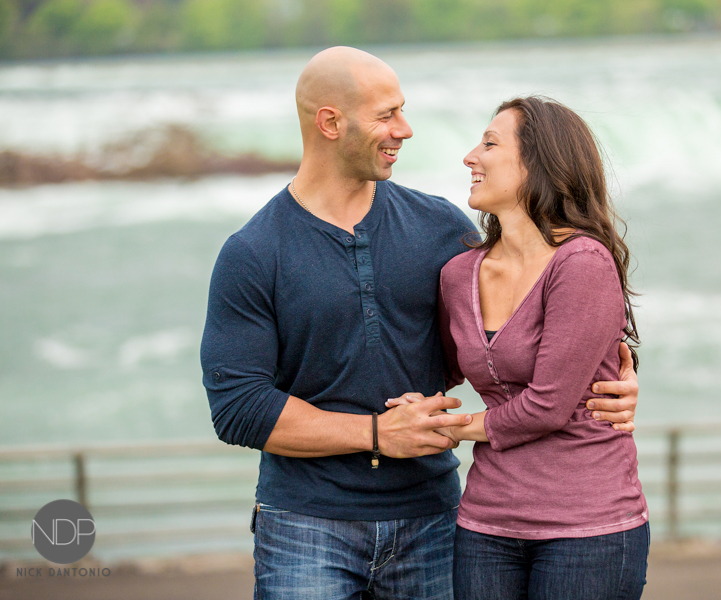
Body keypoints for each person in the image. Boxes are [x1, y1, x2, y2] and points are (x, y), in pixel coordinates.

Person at [200, 47, 640, 600]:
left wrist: (604, 383)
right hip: (305, 526)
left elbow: (523, 334)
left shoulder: (441, 229)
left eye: (402, 111)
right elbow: (238, 407)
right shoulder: (254, 252)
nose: (404, 130)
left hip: (435, 520)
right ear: (330, 122)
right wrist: (376, 434)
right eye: (387, 114)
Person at [391, 97, 648, 599]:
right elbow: (441, 370)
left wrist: (453, 427)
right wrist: (406, 411)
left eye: (489, 144)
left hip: (588, 527)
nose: (470, 157)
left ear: (540, 163)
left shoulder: (581, 262)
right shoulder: (458, 273)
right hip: (485, 524)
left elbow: (548, 405)